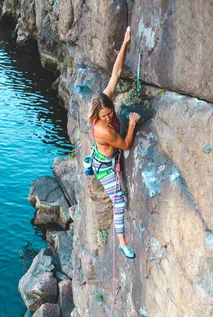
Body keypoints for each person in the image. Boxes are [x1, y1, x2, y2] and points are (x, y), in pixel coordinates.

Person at [88, 26, 140, 259]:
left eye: (110, 113)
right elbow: (126, 145)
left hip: (102, 154)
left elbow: (116, 73)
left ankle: (89, 162)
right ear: (97, 117)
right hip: (105, 167)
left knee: (99, 153)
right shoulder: (103, 130)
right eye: (105, 116)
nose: (109, 118)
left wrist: (125, 42)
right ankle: (122, 242)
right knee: (119, 203)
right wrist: (131, 123)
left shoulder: (104, 98)